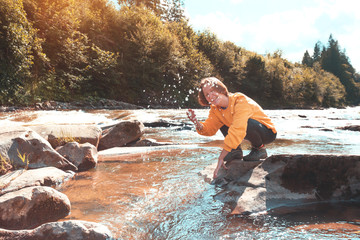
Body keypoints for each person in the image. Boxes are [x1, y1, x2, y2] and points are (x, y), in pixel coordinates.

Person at [187, 77, 277, 179]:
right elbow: (209, 129)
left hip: (267, 132)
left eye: (212, 91)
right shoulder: (216, 110)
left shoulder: (240, 100)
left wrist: (221, 157)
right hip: (245, 130)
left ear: (220, 89)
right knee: (223, 120)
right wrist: (196, 122)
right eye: (207, 94)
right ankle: (235, 151)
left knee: (245, 122)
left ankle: (260, 149)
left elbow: (238, 129)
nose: (210, 96)